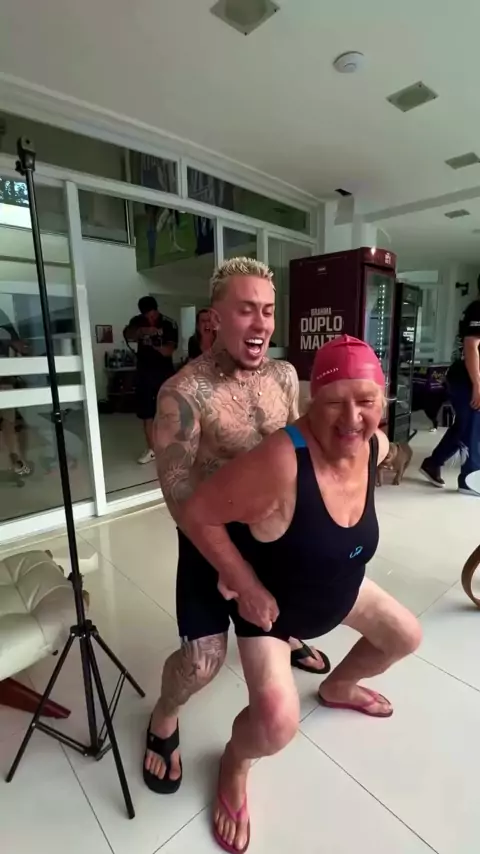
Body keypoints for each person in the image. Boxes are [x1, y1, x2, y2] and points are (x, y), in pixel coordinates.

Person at [179, 335, 422, 852]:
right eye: (335, 403)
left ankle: (338, 687)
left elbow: (385, 448)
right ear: (313, 403)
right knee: (276, 724)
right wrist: (244, 582)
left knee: (406, 636)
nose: (353, 418)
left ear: (382, 403)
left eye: (367, 401)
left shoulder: (373, 446)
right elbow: (197, 514)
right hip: (274, 611)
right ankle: (234, 762)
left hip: (341, 588)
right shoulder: (281, 460)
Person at [145, 258, 330, 795]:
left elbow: (295, 451)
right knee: (202, 663)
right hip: (211, 539)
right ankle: (163, 716)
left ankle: (284, 634)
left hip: (273, 534)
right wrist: (235, 572)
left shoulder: (284, 375)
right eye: (246, 310)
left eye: (267, 311)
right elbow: (179, 495)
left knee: (299, 601)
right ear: (216, 317)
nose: (260, 324)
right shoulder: (183, 393)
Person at [420, 278, 480, 495]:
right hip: (466, 380)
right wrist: (478, 385)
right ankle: (470, 480)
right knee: (473, 428)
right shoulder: (478, 309)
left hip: (469, 379)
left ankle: (433, 463)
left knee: (465, 426)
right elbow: (471, 347)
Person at [124, 296, 178, 464]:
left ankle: (170, 447)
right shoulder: (137, 321)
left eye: (153, 314)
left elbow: (169, 350)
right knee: (147, 413)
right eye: (147, 315)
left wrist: (155, 344)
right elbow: (128, 334)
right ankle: (152, 450)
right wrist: (142, 331)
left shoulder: (168, 323)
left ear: (157, 310)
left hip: (164, 374)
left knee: (167, 412)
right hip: (144, 373)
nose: (150, 317)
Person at [0, 309, 31, 476]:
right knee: (8, 422)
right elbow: (18, 345)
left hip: (4, 377)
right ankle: (16, 460)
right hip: (4, 377)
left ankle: (16, 460)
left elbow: (18, 344)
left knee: (9, 422)